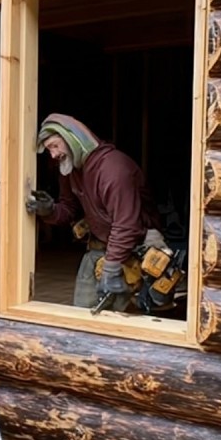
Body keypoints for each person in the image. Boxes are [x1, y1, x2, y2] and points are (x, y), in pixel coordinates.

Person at [27, 113, 160, 311]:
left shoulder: (114, 169)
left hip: (137, 249)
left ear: (73, 139)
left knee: (125, 319)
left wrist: (111, 269)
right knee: (81, 313)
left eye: (55, 146)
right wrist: (50, 211)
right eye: (49, 150)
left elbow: (126, 225)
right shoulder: (70, 168)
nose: (53, 155)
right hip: (100, 247)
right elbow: (69, 208)